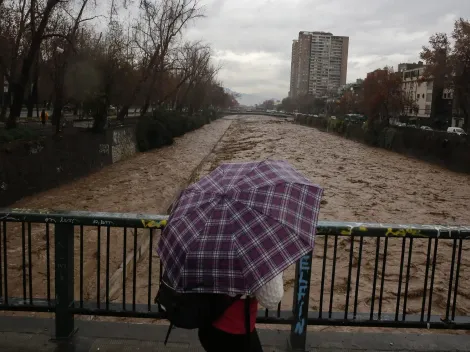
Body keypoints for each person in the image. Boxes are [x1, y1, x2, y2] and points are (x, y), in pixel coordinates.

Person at [198, 272, 284, 352]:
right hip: (238, 331)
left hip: (207, 323)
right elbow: (271, 299)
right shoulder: (254, 256)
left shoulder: (206, 255)